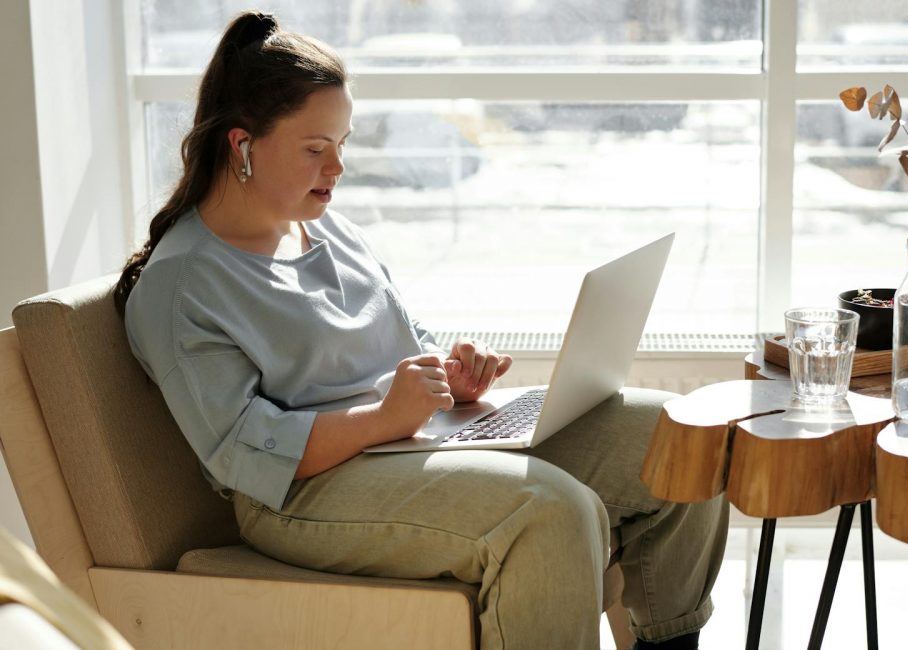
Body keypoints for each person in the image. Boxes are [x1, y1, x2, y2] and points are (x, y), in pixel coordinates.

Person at [115, 11, 728, 650]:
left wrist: (449, 375)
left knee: (679, 437)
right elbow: (244, 452)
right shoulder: (183, 285)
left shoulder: (327, 228)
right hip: (303, 495)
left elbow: (406, 338)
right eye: (315, 149)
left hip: (413, 441)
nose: (338, 168)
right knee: (550, 513)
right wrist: (384, 418)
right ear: (242, 145)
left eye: (343, 143)